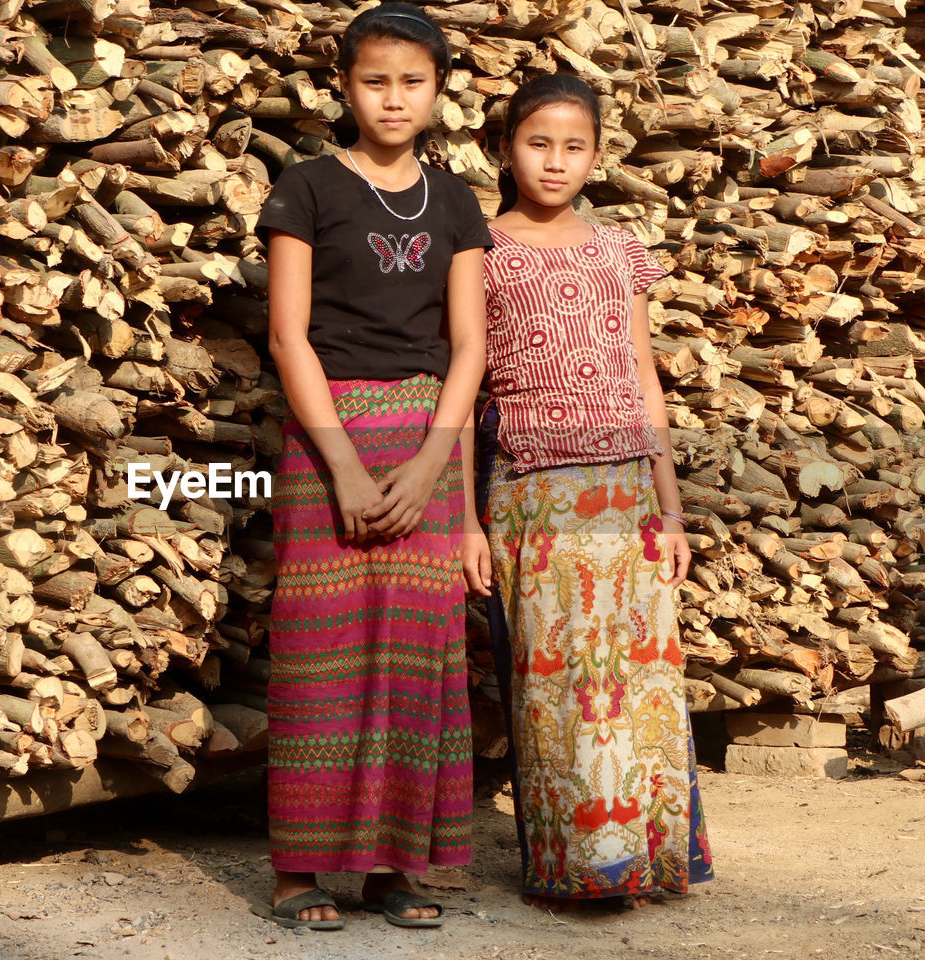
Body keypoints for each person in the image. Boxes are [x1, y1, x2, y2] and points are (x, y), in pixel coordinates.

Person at [255, 1, 491, 931]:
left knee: (415, 657)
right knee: (323, 650)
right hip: (328, 437)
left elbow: (467, 344)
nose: (394, 99)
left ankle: (399, 867)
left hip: (429, 431)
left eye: (413, 81)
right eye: (374, 80)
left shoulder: (458, 201)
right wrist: (346, 465)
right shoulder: (306, 187)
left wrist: (436, 459)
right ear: (344, 88)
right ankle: (300, 869)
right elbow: (287, 335)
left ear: (438, 91)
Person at [475, 73, 714, 911]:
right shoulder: (480, 250)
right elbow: (465, 383)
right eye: (538, 143)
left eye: (574, 147)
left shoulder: (620, 251)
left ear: (597, 156)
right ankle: (578, 867)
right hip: (532, 493)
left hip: (627, 496)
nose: (555, 162)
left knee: (641, 685)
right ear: (506, 150)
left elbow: (644, 380)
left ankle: (651, 860)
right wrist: (470, 517)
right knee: (555, 688)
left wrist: (670, 504)